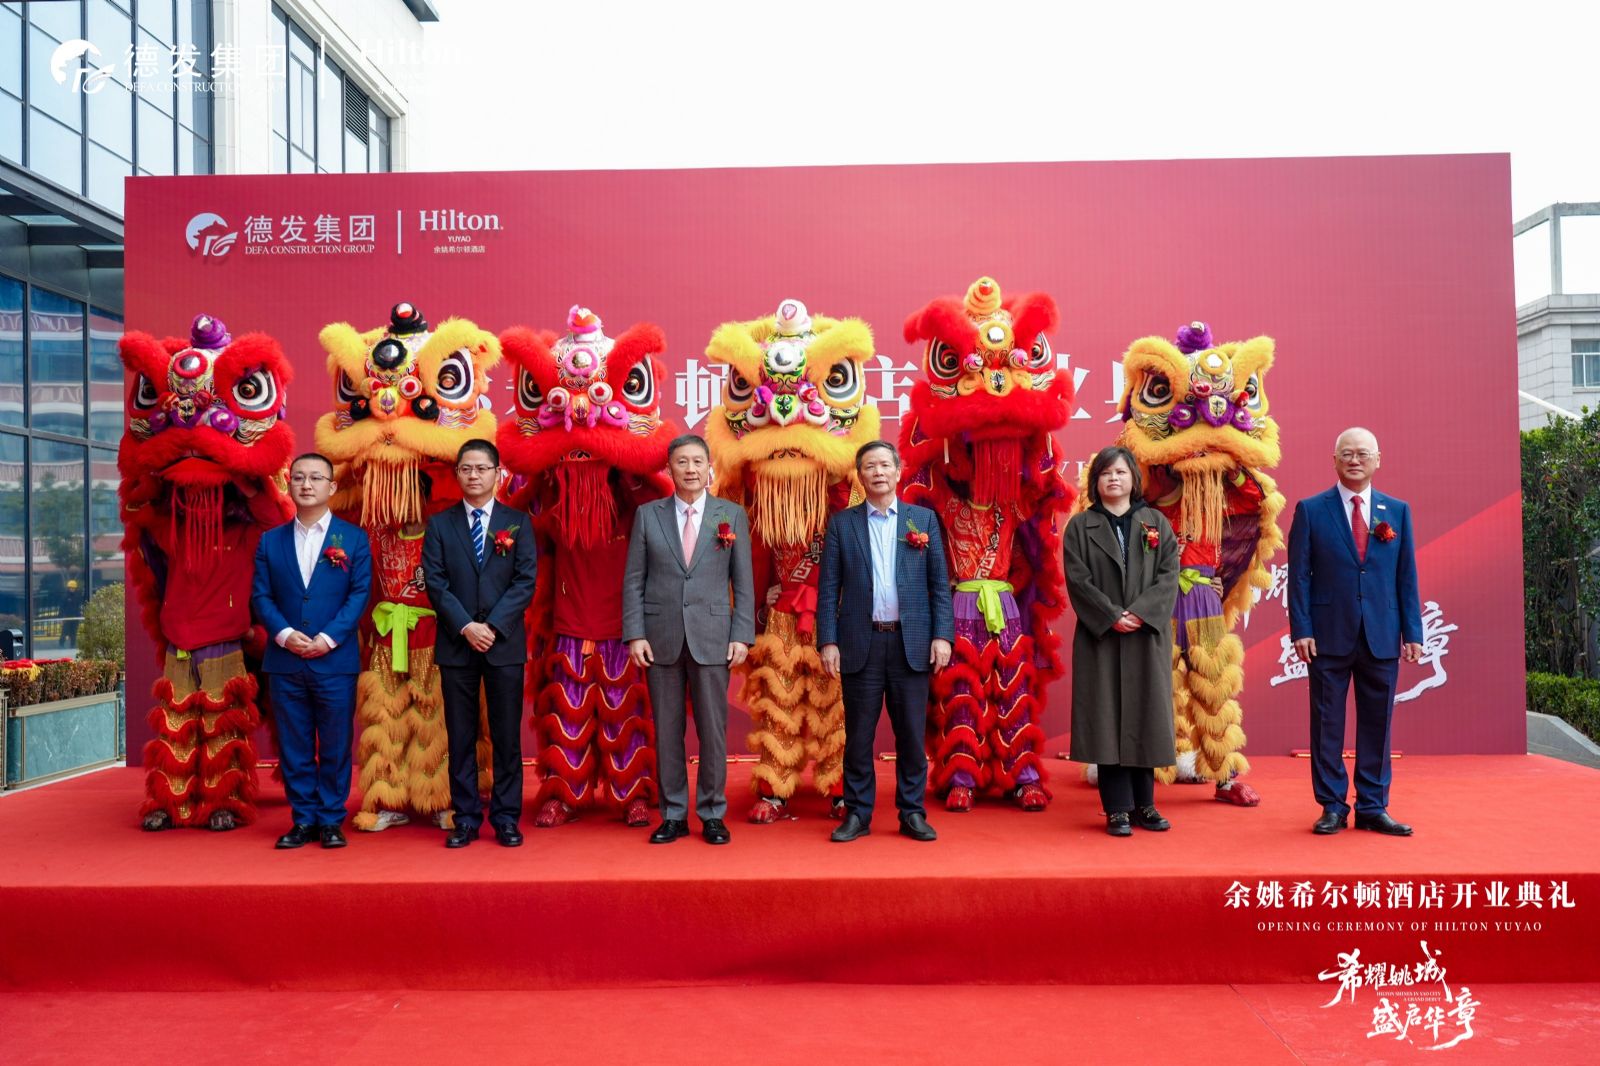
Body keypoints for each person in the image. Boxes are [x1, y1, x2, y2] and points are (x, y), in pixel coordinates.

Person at [1288, 427, 1423, 837]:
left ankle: (1372, 806)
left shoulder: (1396, 511)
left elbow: (1406, 576)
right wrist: (1301, 629)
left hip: (1382, 633)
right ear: (1334, 460)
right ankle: (1332, 805)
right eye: (1346, 453)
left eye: (1363, 453)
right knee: (1327, 723)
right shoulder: (1312, 510)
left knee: (1378, 724)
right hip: (1327, 635)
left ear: (1378, 460)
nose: (1354, 460)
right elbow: (1300, 577)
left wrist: (1413, 632)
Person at [818, 440, 954, 843]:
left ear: (898, 471)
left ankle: (911, 812)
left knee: (910, 735)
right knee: (859, 736)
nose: (877, 472)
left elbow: (939, 586)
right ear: (860, 475)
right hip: (860, 642)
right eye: (869, 467)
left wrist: (942, 636)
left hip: (910, 643)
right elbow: (829, 589)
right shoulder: (842, 524)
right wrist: (828, 641)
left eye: (884, 465)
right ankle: (858, 813)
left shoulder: (922, 521)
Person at [622, 434, 755, 845]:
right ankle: (674, 814)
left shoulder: (730, 515)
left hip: (713, 636)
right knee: (667, 729)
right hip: (660, 636)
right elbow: (634, 580)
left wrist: (742, 635)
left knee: (713, 731)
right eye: (682, 462)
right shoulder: (649, 515)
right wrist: (635, 634)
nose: (691, 469)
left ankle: (712, 813)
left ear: (709, 466)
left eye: (698, 461)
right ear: (670, 468)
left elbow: (743, 583)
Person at [251, 453, 372, 849]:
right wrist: (285, 635)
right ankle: (303, 819)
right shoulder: (270, 540)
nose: (307, 484)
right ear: (289, 484)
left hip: (334, 660)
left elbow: (359, 595)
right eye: (299, 477)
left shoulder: (353, 539)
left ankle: (332, 819)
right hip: (285, 660)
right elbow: (261, 596)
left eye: (316, 478)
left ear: (331, 486)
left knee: (336, 745)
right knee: (295, 745)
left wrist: (328, 638)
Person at [421, 439, 538, 848]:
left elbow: (525, 581)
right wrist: (467, 627)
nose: (474, 475)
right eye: (466, 468)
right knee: (461, 736)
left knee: (506, 737)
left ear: (497, 474)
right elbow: (436, 583)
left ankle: (506, 818)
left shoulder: (517, 522)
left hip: (503, 645)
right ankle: (466, 818)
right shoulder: (440, 524)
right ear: (457, 474)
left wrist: (493, 627)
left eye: (482, 468)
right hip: (458, 644)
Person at [1062, 446, 1181, 837]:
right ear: (1095, 481)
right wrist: (1112, 615)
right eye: (1105, 473)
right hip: (1102, 636)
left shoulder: (1155, 522)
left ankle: (1145, 805)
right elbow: (1078, 580)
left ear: (1134, 479)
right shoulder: (1081, 527)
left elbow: (1169, 574)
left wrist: (1141, 613)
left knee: (1145, 714)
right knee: (1106, 718)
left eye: (1121, 472)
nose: (1113, 479)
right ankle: (1117, 809)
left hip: (1146, 635)